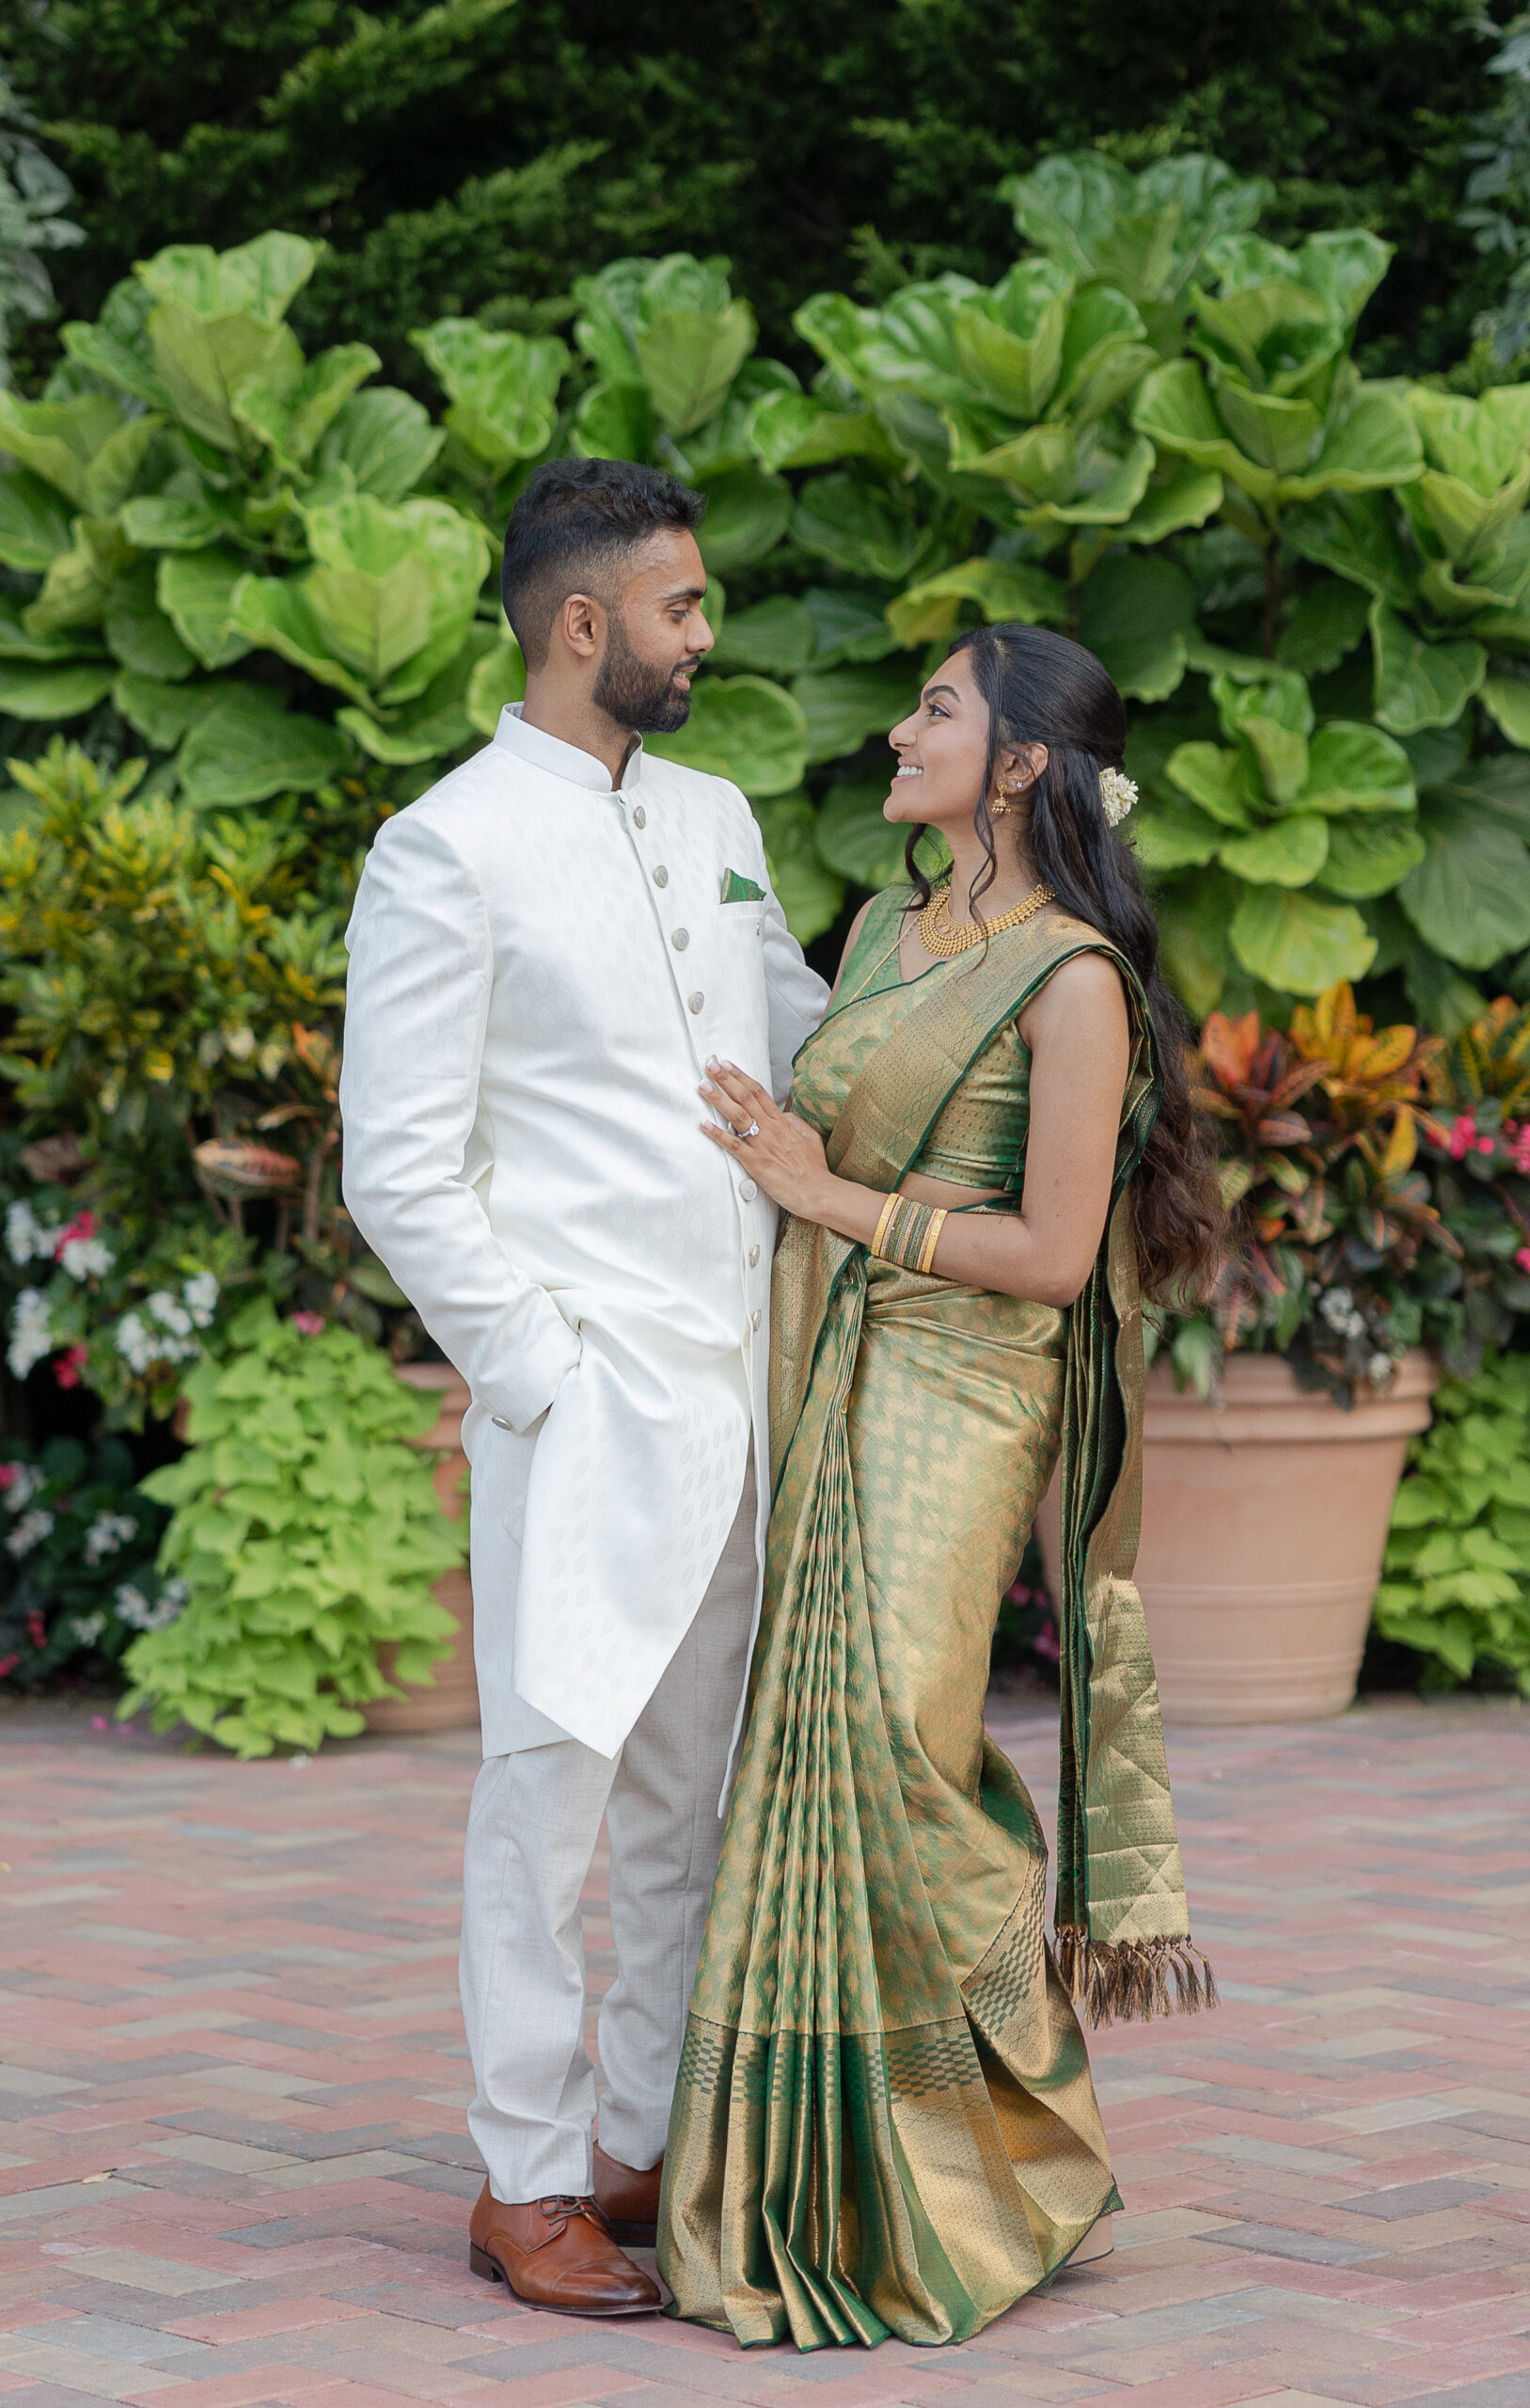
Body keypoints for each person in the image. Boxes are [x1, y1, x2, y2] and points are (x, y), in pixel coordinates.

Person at [659, 622, 1223, 2350]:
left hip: (966, 1389)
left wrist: (827, 1203)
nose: (902, 732)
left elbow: (1057, 1257)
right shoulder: (886, 931)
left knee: (900, 1747)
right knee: (807, 1741)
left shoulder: (1071, 981)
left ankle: (1011, 2155)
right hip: (830, 1366)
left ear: (1025, 763)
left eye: (938, 709)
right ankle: (808, 2179)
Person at [339, 457, 829, 2318]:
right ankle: (524, 2175)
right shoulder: (445, 846)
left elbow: (796, 1022)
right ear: (579, 623)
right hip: (584, 1399)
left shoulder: (713, 809)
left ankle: (637, 2140)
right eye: (681, 605)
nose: (704, 634)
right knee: (545, 1793)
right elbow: (400, 1160)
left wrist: (980, 941)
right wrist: (538, 1376)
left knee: (682, 1793)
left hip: (739, 1389)